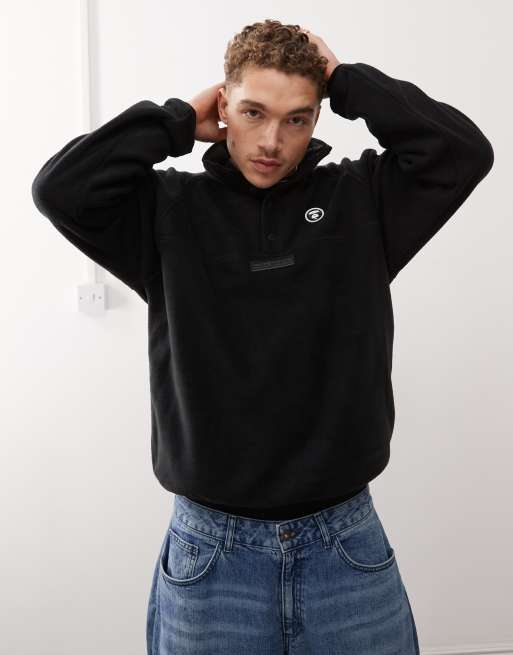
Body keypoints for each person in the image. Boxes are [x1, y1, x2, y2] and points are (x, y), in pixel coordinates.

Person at [31, 18, 493, 655]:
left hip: (345, 545)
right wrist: (172, 121)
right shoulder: (167, 210)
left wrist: (346, 80)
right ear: (222, 106)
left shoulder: (361, 200)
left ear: (318, 117)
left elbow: (463, 153)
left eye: (297, 119)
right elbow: (60, 189)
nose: (272, 141)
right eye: (253, 112)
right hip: (211, 554)